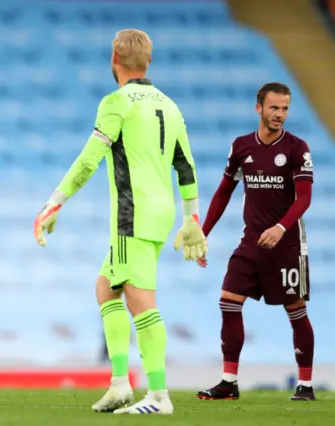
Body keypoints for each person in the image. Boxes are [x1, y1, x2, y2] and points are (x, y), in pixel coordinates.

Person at [33, 29, 206, 415]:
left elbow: (89, 159)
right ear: (149, 61)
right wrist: (192, 216)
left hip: (133, 215)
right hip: (161, 214)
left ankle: (159, 396)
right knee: (105, 288)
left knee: (139, 299)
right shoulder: (170, 105)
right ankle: (118, 384)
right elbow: (187, 167)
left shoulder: (116, 102)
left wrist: (54, 204)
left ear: (114, 59)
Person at [196, 82, 315, 402]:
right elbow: (223, 192)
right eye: (274, 108)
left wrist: (280, 227)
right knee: (228, 300)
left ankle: (305, 384)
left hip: (287, 243)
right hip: (251, 241)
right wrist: (202, 233)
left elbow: (304, 199)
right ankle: (228, 381)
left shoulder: (297, 148)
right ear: (258, 108)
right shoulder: (241, 147)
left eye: (285, 108)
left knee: (296, 309)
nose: (280, 114)